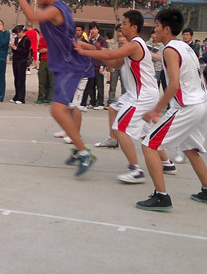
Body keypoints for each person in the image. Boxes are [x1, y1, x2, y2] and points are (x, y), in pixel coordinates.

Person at [74, 10, 178, 186]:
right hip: (142, 94)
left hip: (142, 96)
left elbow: (109, 55)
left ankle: (136, 170)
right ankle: (167, 163)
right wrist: (91, 50)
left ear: (134, 27)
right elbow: (115, 62)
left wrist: (84, 52)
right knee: (144, 130)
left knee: (120, 127)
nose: (121, 27)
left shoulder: (135, 44)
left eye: (124, 23)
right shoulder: (132, 46)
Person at [13, 0, 96, 176]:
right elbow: (41, 4)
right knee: (63, 110)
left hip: (71, 66)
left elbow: (31, 15)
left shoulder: (55, 10)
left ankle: (84, 152)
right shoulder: (56, 4)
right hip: (64, 65)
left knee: (58, 110)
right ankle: (79, 148)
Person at [137, 8, 207, 211]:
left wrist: (155, 110)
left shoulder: (170, 50)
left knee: (149, 145)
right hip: (199, 104)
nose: (155, 30)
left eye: (157, 26)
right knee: (190, 149)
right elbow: (199, 77)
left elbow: (173, 85)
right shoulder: (186, 48)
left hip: (187, 107)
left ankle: (161, 197)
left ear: (166, 29)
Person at [81, 22, 107, 110]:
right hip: (90, 66)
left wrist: (102, 66)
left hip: (99, 66)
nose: (93, 31)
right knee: (90, 85)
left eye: (95, 29)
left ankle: (100, 103)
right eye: (92, 29)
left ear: (98, 30)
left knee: (99, 86)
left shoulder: (102, 40)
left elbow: (104, 54)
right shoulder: (90, 40)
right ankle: (93, 102)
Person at [10, 25, 30, 104]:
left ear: (22, 32)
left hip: (22, 61)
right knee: (16, 78)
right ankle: (17, 95)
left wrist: (17, 49)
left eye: (18, 33)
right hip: (16, 60)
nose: (17, 35)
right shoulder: (16, 39)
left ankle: (21, 97)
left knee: (21, 79)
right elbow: (14, 50)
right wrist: (13, 48)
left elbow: (26, 52)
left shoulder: (26, 39)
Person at [35, 33, 53, 104]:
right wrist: (49, 49)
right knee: (42, 81)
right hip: (43, 61)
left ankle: (50, 99)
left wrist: (46, 49)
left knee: (52, 82)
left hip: (53, 62)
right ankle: (41, 98)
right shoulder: (42, 39)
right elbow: (40, 50)